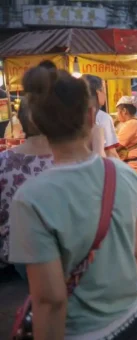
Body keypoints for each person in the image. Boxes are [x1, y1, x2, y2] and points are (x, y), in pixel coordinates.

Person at [8, 66, 137, 339]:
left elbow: (50, 301)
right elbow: (135, 253)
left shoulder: (31, 198)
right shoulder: (124, 175)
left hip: (84, 332)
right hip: (131, 315)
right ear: (91, 117)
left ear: (37, 124)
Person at [0, 99, 53, 277]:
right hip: (65, 250)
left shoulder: (3, 161)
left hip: (17, 250)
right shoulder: (68, 159)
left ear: (21, 121)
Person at [82, 75, 120, 158]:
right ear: (98, 93)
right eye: (104, 89)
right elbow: (110, 152)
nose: (105, 94)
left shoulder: (74, 113)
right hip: (97, 166)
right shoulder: (104, 118)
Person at [116, 96, 137, 176]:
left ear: (124, 111)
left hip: (134, 167)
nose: (117, 114)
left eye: (117, 111)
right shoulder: (134, 122)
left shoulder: (131, 124)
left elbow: (116, 146)